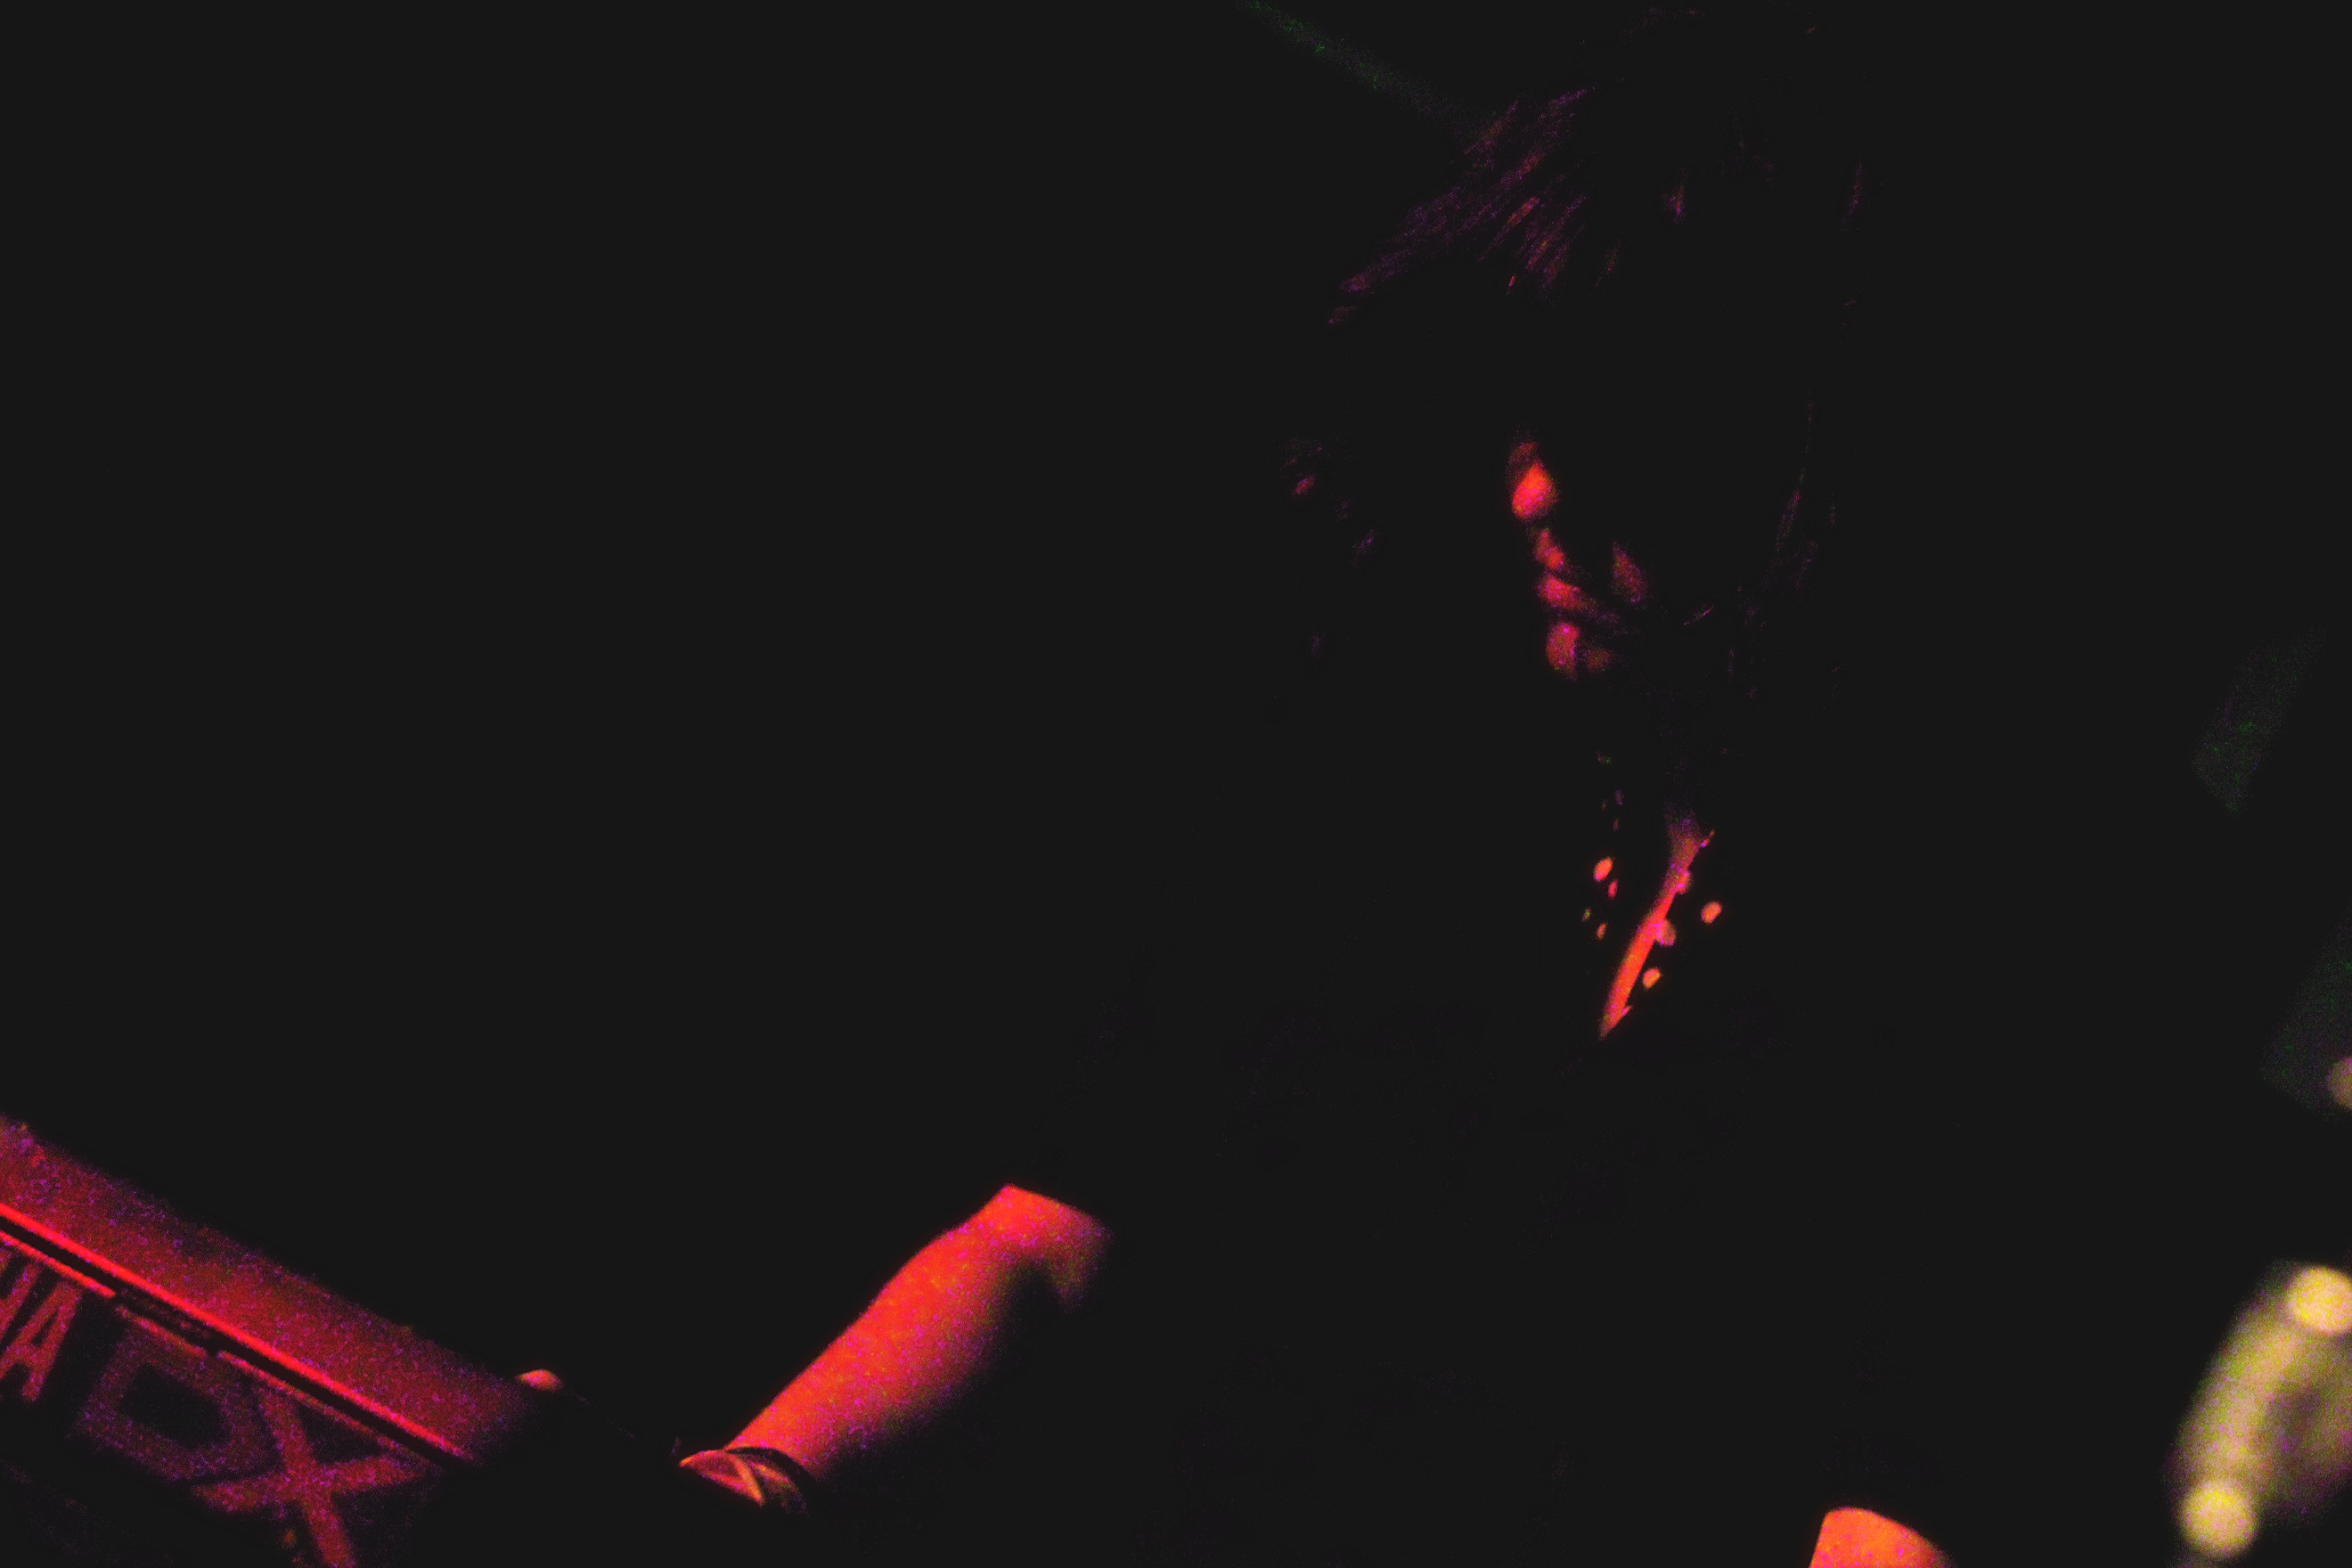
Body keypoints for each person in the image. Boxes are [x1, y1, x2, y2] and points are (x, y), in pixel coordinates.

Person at [672, 11, 1989, 1564]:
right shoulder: (1425, 743)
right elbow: (1053, 1228)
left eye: (1636, 437)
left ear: (1807, 465)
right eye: (1542, 409)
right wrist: (750, 1486)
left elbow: (1896, 1510)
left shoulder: (1981, 935)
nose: (1539, 491)